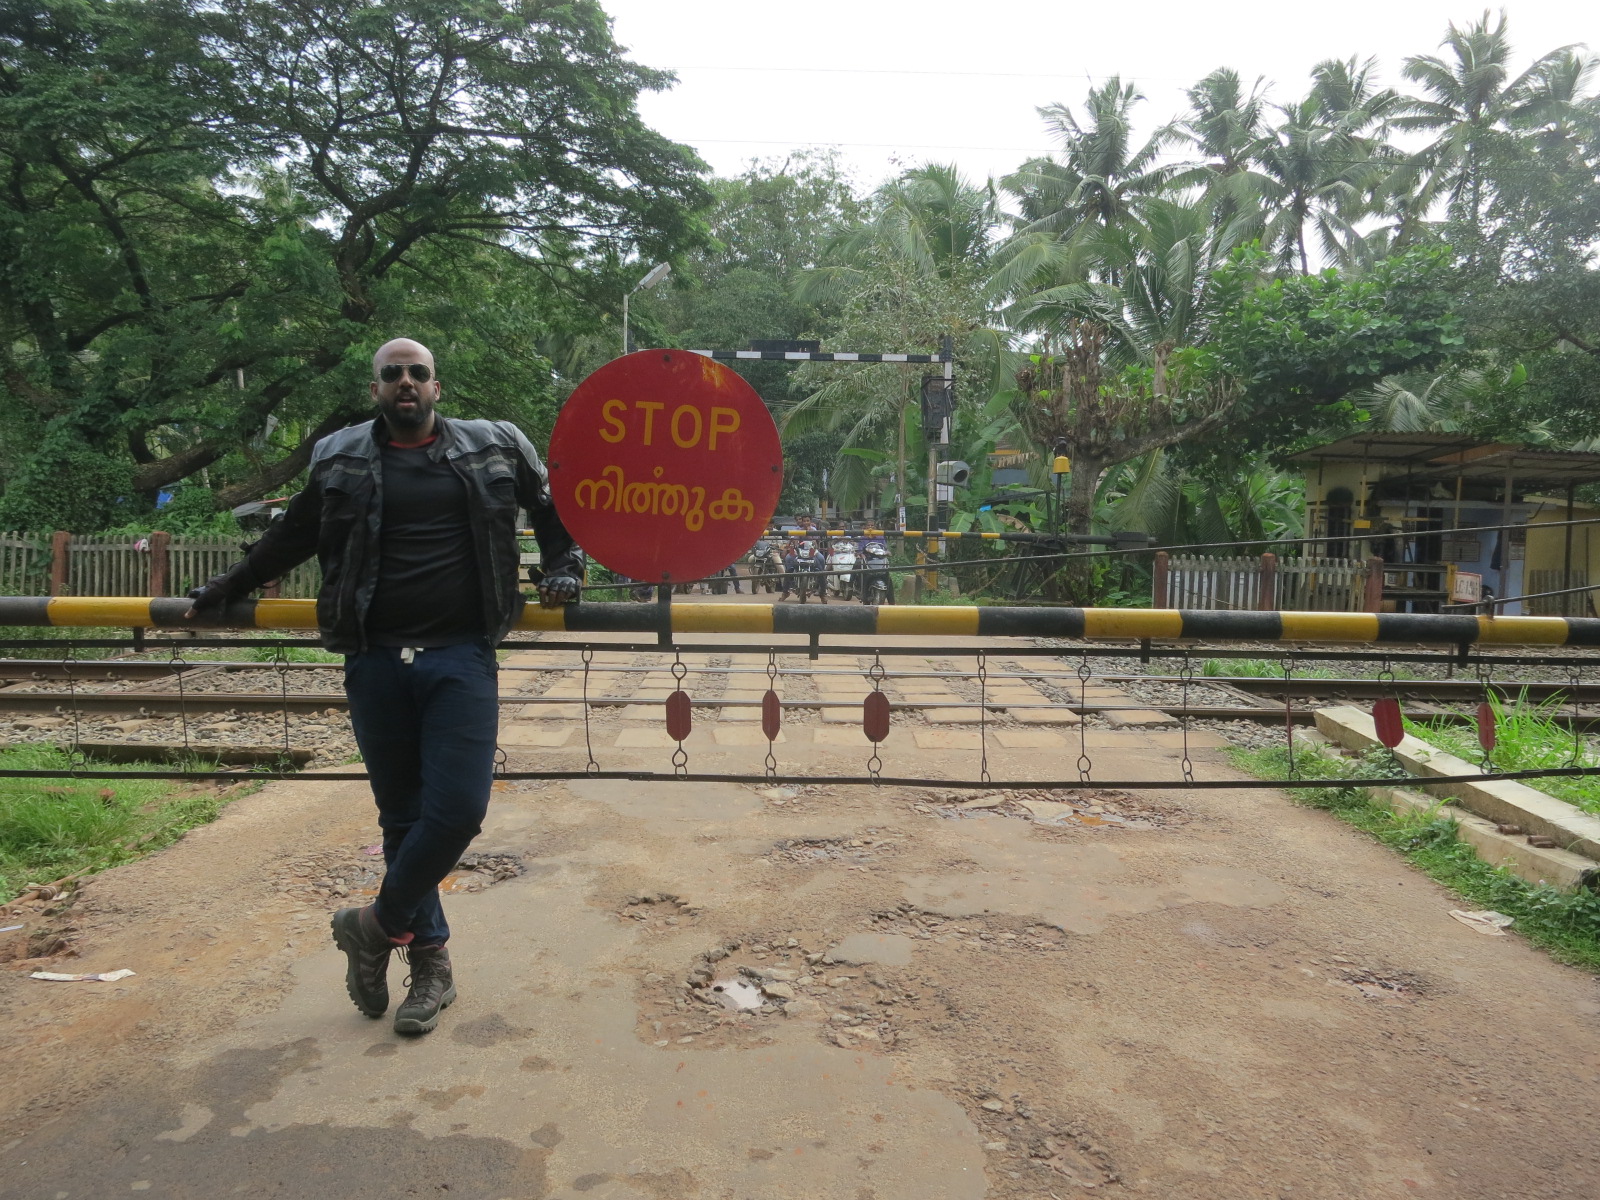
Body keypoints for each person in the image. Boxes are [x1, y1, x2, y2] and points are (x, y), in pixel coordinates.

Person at [185, 338, 583, 1036]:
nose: (405, 382)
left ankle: (370, 927)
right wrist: (228, 586)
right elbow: (292, 536)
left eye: (417, 373)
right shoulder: (339, 456)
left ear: (437, 387)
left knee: (456, 812)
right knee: (401, 820)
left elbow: (553, 515)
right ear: (376, 390)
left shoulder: (495, 447)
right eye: (392, 374)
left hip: (459, 655)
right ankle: (430, 966)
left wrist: (565, 570)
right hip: (374, 659)